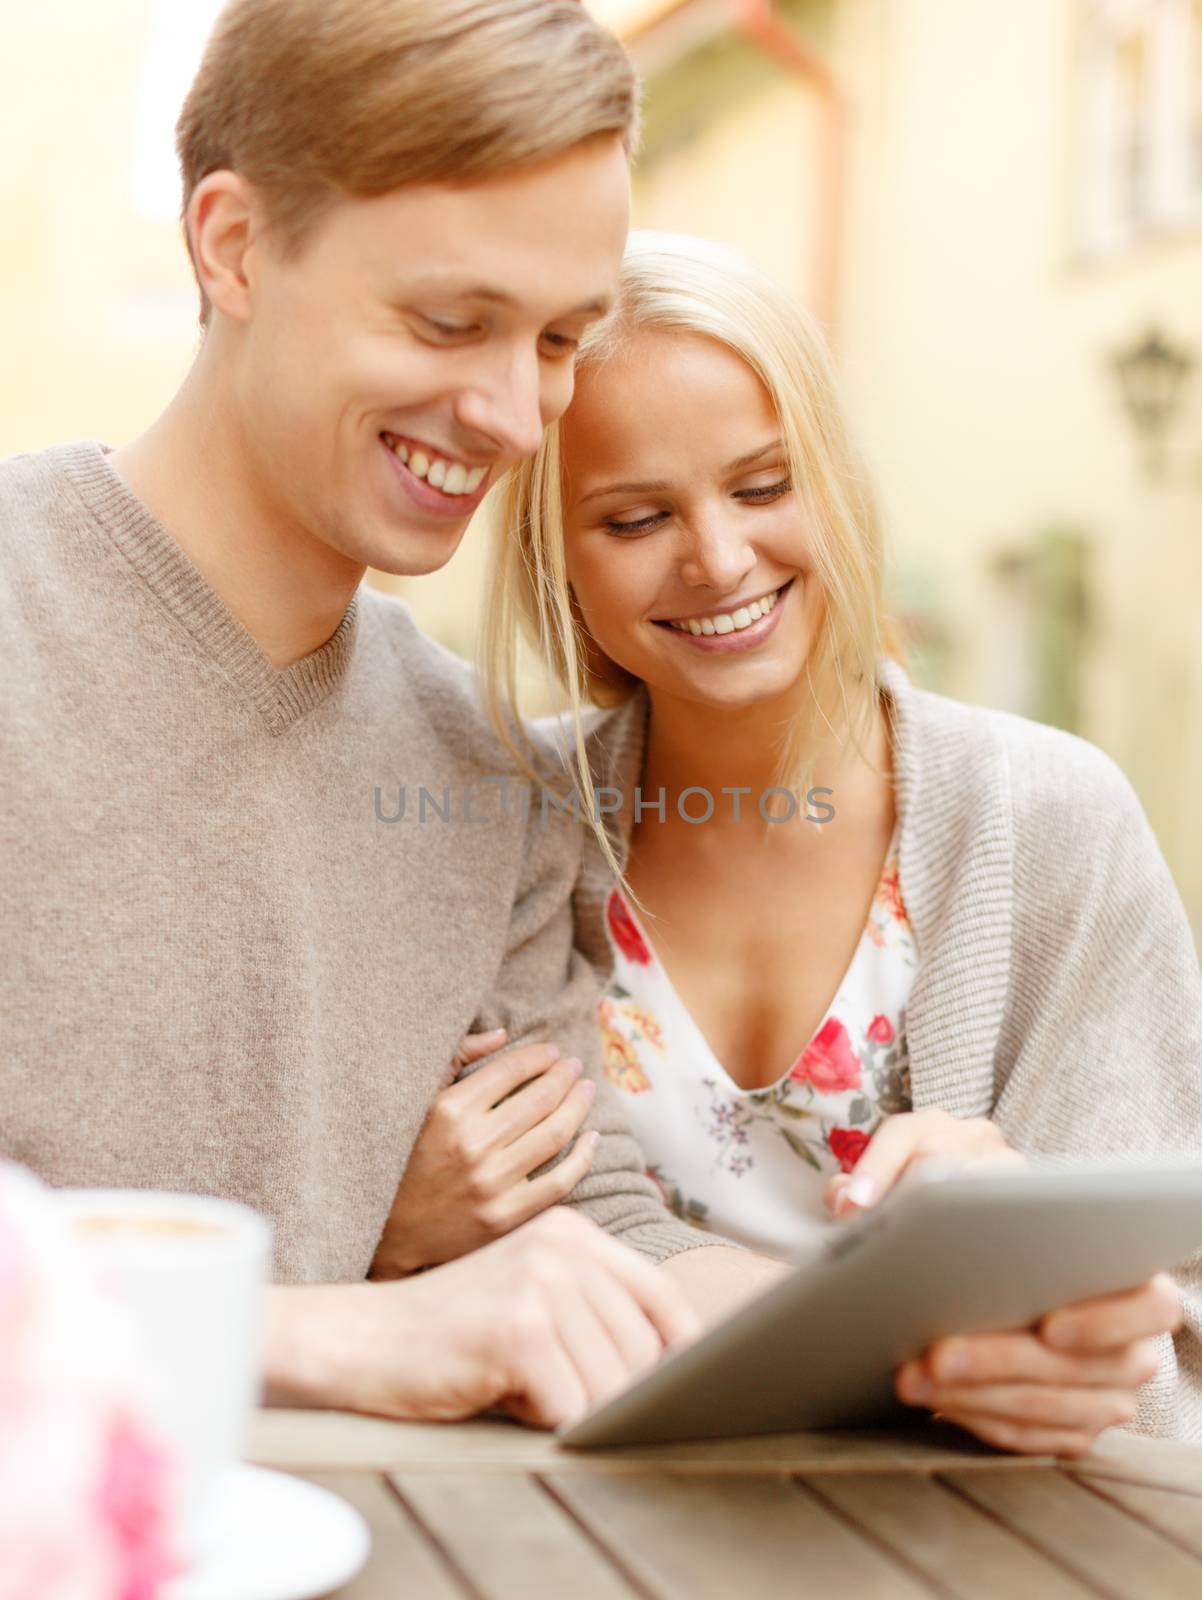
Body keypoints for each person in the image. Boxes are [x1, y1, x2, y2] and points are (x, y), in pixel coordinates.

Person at [0, 3, 786, 1435]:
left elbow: (592, 1229)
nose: (511, 414)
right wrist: (316, 1328)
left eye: (557, 338)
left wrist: (924, 1330)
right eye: (447, 321)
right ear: (231, 246)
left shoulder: (477, 766)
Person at [415, 229, 1198, 1453]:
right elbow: (466, 1244)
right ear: (557, 564)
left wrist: (1074, 1313)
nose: (718, 557)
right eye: (632, 518)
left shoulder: (1052, 821)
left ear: (833, 482)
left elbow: (1171, 1334)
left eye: (764, 487)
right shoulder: (510, 824)